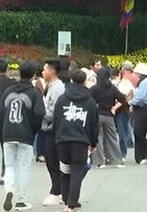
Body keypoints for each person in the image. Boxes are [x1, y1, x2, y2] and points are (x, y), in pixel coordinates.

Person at [1, 61, 45, 211]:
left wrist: (4, 128)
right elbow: (39, 114)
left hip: (8, 132)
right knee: (23, 166)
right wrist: (33, 129)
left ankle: (9, 191)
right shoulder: (33, 93)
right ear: (33, 75)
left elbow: (1, 112)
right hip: (25, 133)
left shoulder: (8, 91)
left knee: (9, 165)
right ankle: (21, 199)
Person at [54, 70, 99, 212]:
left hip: (62, 140)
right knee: (77, 172)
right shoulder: (90, 100)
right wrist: (93, 143)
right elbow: (93, 124)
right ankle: (71, 204)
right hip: (80, 140)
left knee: (65, 171)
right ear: (85, 81)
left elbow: (56, 119)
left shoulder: (62, 98)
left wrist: (57, 136)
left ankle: (66, 200)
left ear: (71, 80)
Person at [40, 59, 66, 207]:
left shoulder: (58, 88)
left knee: (54, 161)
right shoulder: (50, 86)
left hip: (53, 129)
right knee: (50, 161)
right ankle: (58, 190)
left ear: (52, 71)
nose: (43, 72)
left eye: (45, 69)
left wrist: (39, 113)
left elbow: (54, 111)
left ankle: (57, 191)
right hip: (48, 128)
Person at [89, 67, 125, 168]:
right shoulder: (112, 88)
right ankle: (117, 160)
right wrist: (114, 107)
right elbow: (122, 99)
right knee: (112, 138)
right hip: (109, 115)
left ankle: (99, 162)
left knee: (98, 138)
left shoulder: (94, 88)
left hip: (97, 115)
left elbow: (88, 99)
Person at [129, 62, 147, 164]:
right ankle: (142, 155)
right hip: (142, 107)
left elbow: (140, 97)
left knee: (138, 132)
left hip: (142, 107)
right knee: (140, 132)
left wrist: (131, 102)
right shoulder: (145, 81)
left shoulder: (144, 82)